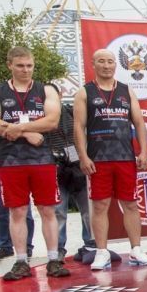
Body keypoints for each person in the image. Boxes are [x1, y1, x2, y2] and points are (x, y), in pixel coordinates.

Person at [73, 48, 147, 270]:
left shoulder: (126, 90)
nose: (106, 65)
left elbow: (139, 122)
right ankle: (102, 252)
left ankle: (136, 250)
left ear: (115, 65)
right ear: (93, 64)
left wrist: (144, 151)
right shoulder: (84, 92)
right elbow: (78, 127)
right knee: (100, 205)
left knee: (131, 203)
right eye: (101, 61)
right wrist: (83, 156)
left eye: (110, 61)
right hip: (98, 159)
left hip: (125, 157)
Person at [0, 46, 69, 279]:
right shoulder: (1, 91)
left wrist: (17, 128)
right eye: (20, 66)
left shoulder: (45, 90)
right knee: (17, 211)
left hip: (42, 159)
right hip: (10, 160)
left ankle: (53, 259)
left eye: (29, 65)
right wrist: (28, 133)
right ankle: (21, 261)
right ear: (9, 65)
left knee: (48, 209)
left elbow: (52, 121)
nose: (25, 70)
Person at [46, 82, 96, 262]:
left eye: (53, 95)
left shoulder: (71, 111)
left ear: (60, 95)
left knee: (87, 209)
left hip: (78, 165)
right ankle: (58, 249)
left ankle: (91, 244)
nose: (49, 100)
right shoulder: (41, 118)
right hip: (55, 167)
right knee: (58, 212)